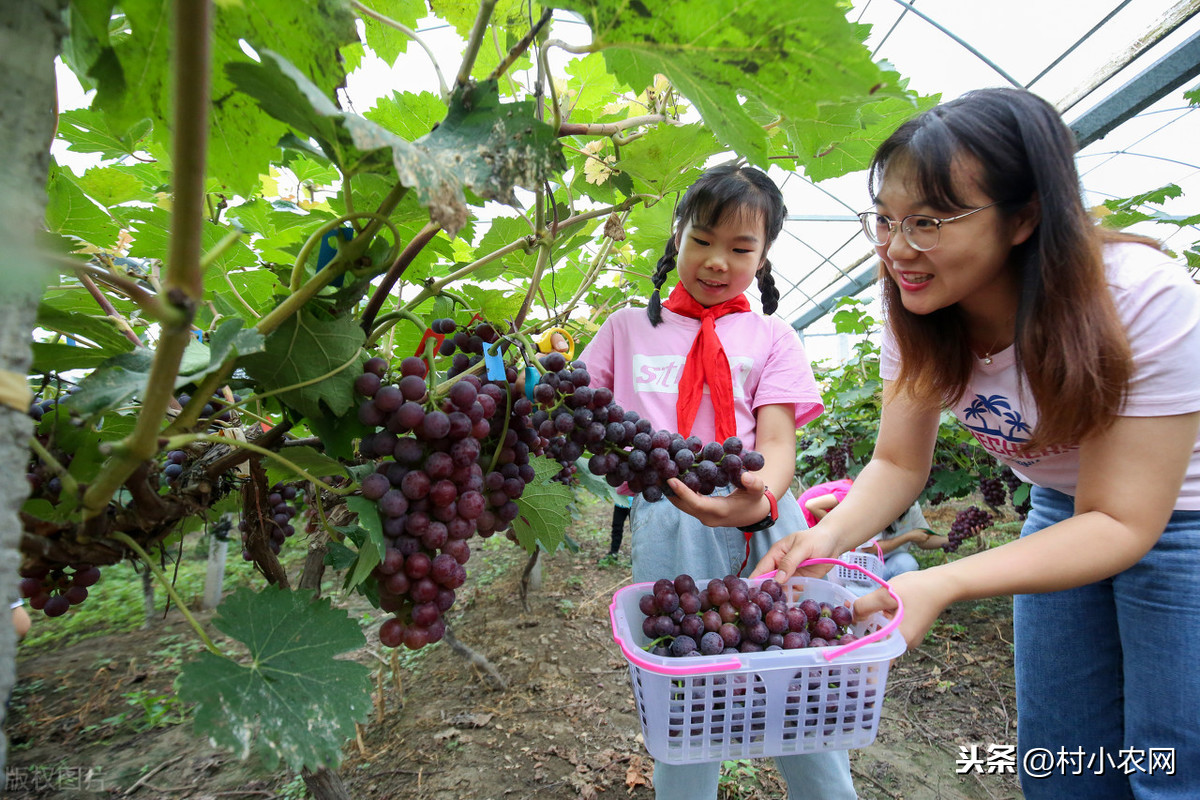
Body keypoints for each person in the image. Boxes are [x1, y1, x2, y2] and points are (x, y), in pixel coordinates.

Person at [753, 87, 1200, 799]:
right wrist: (826, 536)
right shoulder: (917, 304)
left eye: (928, 221)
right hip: (1063, 507)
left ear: (1023, 215)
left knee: (1168, 766)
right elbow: (899, 463)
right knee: (1059, 757)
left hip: (1184, 523)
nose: (898, 249)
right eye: (886, 219)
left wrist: (942, 578)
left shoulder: (1142, 297)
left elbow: (1122, 519)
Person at [583, 164, 856, 800]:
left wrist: (755, 499)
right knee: (690, 684)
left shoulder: (772, 336)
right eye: (702, 240)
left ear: (763, 259)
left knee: (797, 673)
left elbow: (779, 444)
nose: (716, 261)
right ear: (676, 236)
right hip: (670, 520)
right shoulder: (625, 329)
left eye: (741, 248)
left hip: (765, 515)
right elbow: (578, 413)